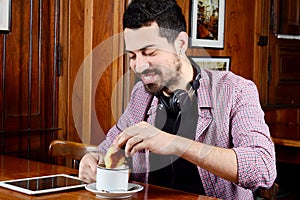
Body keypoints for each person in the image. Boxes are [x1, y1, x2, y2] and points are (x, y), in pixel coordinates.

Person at [79, 0, 277, 199]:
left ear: (181, 43)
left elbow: (262, 169)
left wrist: (175, 143)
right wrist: (95, 158)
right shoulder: (141, 93)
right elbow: (111, 145)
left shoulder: (236, 90)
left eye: (150, 52)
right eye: (132, 56)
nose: (139, 66)